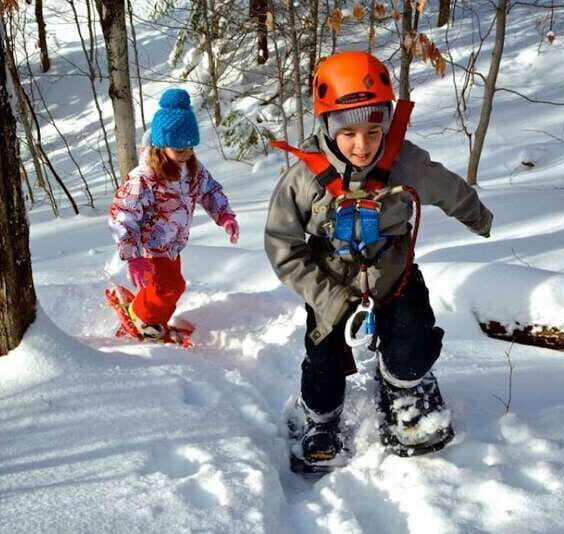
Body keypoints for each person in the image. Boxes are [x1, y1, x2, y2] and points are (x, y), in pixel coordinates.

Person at [264, 51, 493, 472]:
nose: (363, 145)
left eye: (374, 130)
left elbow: (448, 187)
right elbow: (283, 246)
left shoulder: (405, 161)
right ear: (327, 127)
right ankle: (321, 419)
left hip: (395, 275)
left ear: (388, 121)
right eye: (348, 132)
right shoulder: (303, 180)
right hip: (331, 284)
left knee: (414, 341)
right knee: (323, 362)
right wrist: (328, 299)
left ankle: (402, 387)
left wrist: (478, 216)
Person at [109, 88, 239, 340]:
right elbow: (122, 216)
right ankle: (143, 316)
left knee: (170, 287)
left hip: (172, 245)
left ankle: (153, 317)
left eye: (190, 147)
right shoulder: (144, 178)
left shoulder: (192, 169)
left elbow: (209, 190)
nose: (187, 154)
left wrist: (225, 216)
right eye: (180, 150)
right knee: (170, 287)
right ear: (160, 146)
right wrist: (133, 257)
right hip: (149, 249)